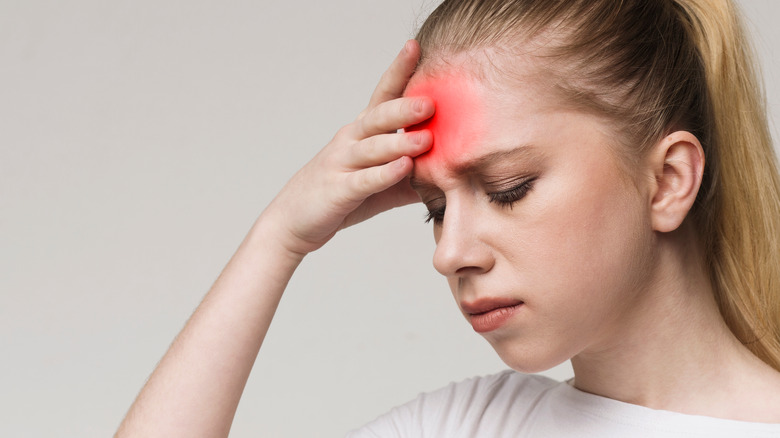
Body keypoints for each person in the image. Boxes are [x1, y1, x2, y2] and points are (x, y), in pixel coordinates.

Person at [116, 0, 780, 436]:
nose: (449, 252)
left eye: (508, 188)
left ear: (667, 181)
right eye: (433, 209)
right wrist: (279, 238)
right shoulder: (468, 425)